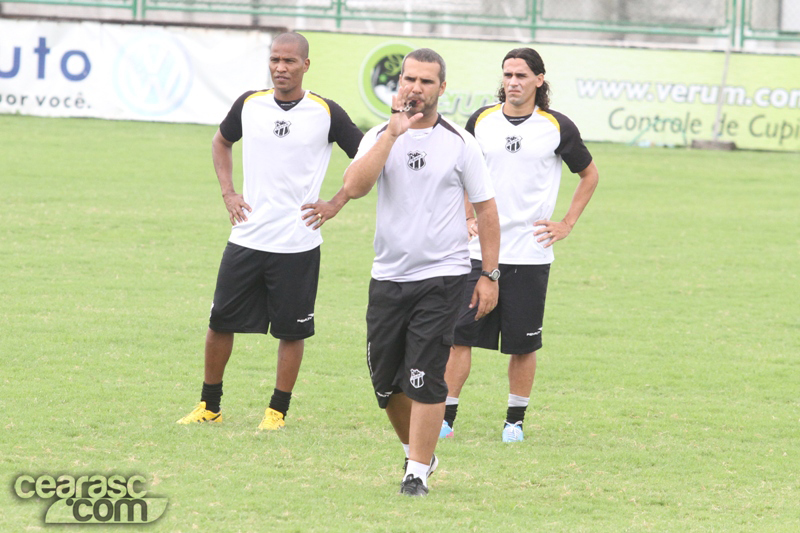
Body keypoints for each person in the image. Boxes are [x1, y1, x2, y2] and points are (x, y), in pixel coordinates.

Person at [177, 32, 363, 430]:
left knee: (291, 332)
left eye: (290, 61)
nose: (281, 68)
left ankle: (276, 412)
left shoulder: (326, 112)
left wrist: (336, 202)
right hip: (247, 237)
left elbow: (366, 159)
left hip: (297, 244)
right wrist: (228, 192)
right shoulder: (249, 104)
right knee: (219, 323)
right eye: (275, 60)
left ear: (306, 66)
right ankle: (210, 405)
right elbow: (220, 142)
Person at [341, 48, 501, 496]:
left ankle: (414, 472)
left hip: (443, 275)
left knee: (424, 375)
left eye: (426, 81)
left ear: (442, 89)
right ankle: (423, 453)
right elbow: (354, 187)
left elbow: (487, 212)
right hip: (389, 276)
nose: (415, 88)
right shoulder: (378, 134)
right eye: (409, 79)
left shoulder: (460, 143)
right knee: (386, 384)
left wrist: (489, 274)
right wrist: (392, 135)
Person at [441, 47, 599, 443]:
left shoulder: (556, 126)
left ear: (539, 80)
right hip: (478, 252)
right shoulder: (481, 121)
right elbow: (462, 171)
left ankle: (514, 421)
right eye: (508, 74)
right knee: (460, 336)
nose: (513, 82)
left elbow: (590, 175)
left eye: (522, 75)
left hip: (529, 253)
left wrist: (566, 223)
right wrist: (465, 216)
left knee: (523, 344)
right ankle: (445, 417)